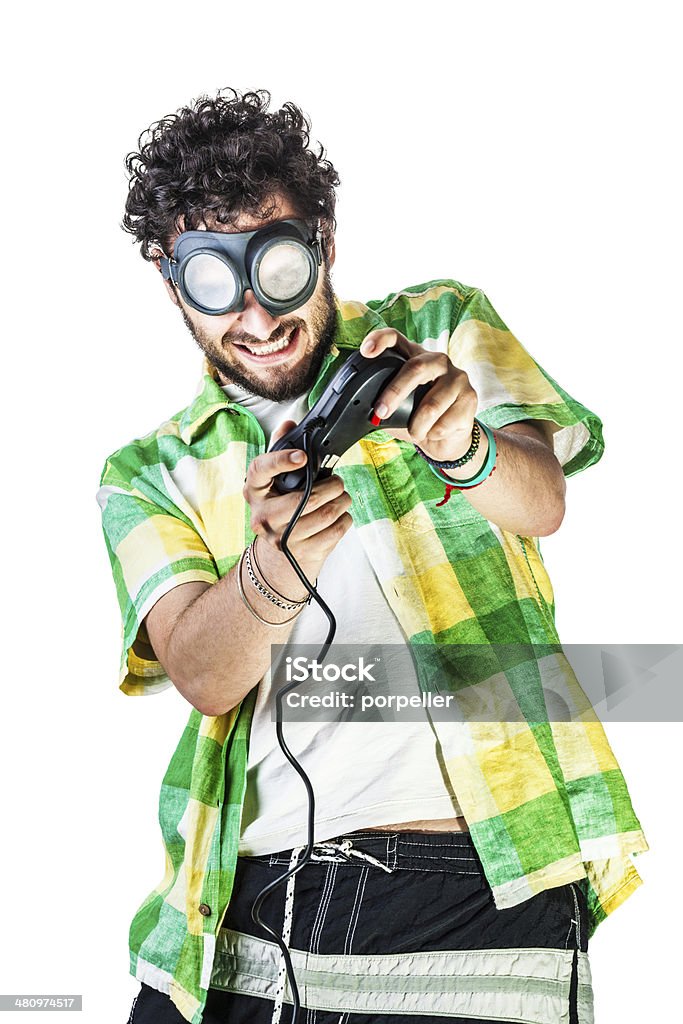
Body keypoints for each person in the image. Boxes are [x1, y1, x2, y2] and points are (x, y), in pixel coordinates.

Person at [97, 89, 648, 1024]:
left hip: (480, 888)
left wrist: (462, 447)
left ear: (324, 242)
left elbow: (541, 501)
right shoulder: (149, 471)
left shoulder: (440, 327)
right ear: (170, 280)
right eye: (213, 284)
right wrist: (269, 572)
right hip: (244, 908)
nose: (259, 318)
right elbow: (198, 671)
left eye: (276, 265)